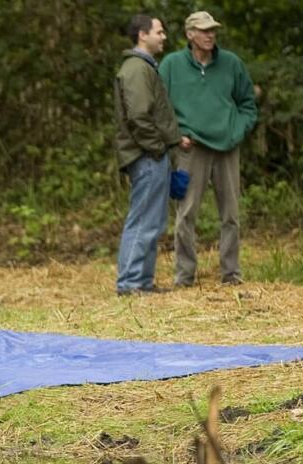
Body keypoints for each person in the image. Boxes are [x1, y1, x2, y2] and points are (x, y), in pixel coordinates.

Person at [159, 11, 257, 287]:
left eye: (212, 30)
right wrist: (176, 136)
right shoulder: (171, 65)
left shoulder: (231, 64)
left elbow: (248, 104)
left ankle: (231, 274)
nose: (210, 34)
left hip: (227, 147)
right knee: (186, 213)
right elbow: (160, 107)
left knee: (231, 214)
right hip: (191, 149)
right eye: (203, 30)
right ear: (190, 34)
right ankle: (184, 276)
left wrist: (237, 130)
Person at [113, 13, 182, 296]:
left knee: (153, 220)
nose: (163, 37)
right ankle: (129, 283)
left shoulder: (143, 68)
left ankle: (141, 282)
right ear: (143, 34)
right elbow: (138, 116)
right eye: (159, 32)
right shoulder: (136, 69)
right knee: (143, 218)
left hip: (150, 154)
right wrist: (156, 148)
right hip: (146, 155)